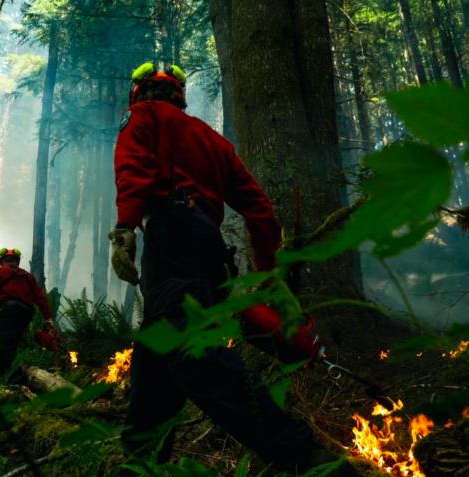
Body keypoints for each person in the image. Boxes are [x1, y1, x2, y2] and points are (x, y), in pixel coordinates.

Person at [107, 62, 360, 476]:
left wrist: (124, 228)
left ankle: (303, 456)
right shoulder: (214, 141)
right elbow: (261, 212)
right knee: (154, 369)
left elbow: (132, 167)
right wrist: (269, 275)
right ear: (179, 95)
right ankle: (139, 467)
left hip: (170, 241)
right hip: (208, 252)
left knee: (192, 356)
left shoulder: (142, 116)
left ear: (139, 92)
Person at [0, 248, 55, 378]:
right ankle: (1, 375)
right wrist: (48, 318)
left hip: (10, 310)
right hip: (25, 314)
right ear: (17, 262)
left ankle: (16, 378)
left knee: (6, 345)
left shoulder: (0, 272)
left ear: (1, 261)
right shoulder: (28, 276)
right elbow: (40, 298)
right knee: (10, 344)